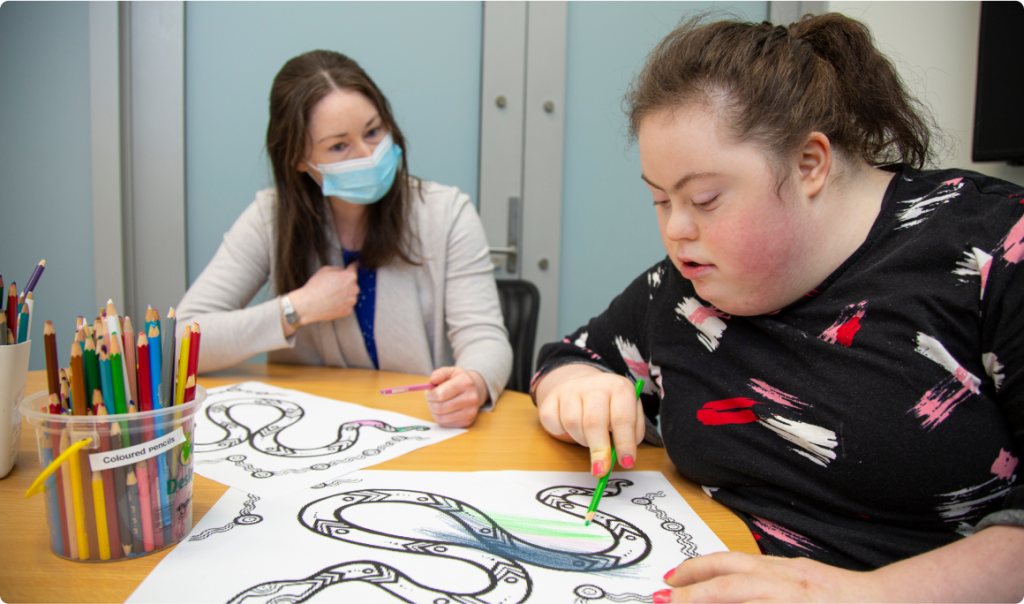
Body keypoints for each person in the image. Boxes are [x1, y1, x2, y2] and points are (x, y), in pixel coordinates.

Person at [531, 13, 1024, 604]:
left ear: (809, 163)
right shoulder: (684, 287)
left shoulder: (993, 250)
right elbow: (570, 356)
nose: (676, 230)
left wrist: (859, 596)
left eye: (704, 198)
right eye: (660, 200)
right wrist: (578, 384)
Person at [177, 50, 512, 428]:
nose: (369, 155)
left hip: (417, 425)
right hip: (309, 432)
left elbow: (485, 337)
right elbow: (180, 345)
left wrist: (474, 382)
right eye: (339, 146)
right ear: (299, 160)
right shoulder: (269, 217)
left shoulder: (446, 211)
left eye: (373, 131)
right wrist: (295, 308)